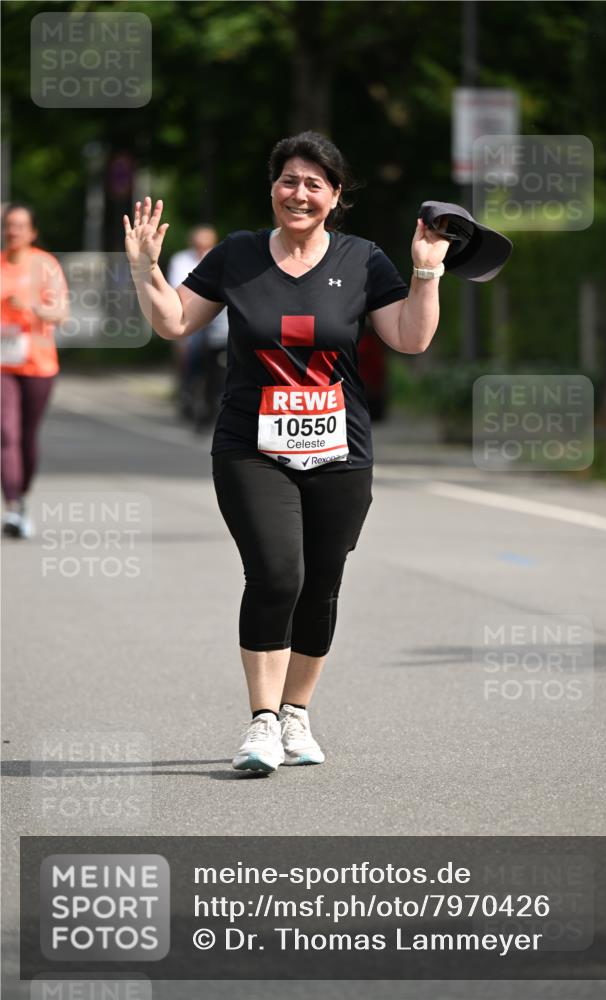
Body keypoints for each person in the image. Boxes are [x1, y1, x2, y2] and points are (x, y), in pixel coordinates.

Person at [123, 131, 451, 774]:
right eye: (288, 180)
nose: (298, 193)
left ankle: (297, 713)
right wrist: (144, 269)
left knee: (321, 585)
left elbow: (410, 338)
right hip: (251, 445)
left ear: (334, 197)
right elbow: (173, 322)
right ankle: (262, 722)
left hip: (340, 450)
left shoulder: (364, 261)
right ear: (273, 188)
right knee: (277, 574)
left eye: (313, 184)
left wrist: (427, 268)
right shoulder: (239, 255)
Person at [1, 203, 69, 538]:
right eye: (8, 225)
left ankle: (22, 495)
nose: (12, 231)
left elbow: (61, 313)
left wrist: (31, 308)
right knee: (6, 434)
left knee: (27, 438)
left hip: (39, 364)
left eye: (19, 225)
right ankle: (12, 506)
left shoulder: (45, 265)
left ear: (32, 231)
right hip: (3, 365)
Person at [167, 226, 229, 429]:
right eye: (198, 246)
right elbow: (177, 292)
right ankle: (187, 393)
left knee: (219, 365)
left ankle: (213, 402)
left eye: (206, 245)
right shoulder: (181, 260)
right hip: (191, 317)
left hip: (218, 322)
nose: (202, 250)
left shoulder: (220, 258)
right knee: (189, 354)